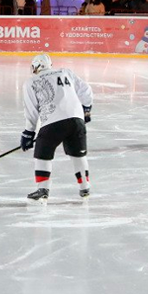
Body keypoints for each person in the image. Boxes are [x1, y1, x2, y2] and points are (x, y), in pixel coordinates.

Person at [21, 54, 93, 201]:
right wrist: (86, 110)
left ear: (36, 66)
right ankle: (85, 188)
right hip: (76, 120)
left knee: (42, 154)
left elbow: (31, 110)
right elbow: (86, 90)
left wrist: (29, 132)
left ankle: (43, 189)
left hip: (52, 122)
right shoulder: (65, 72)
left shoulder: (31, 82)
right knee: (78, 154)